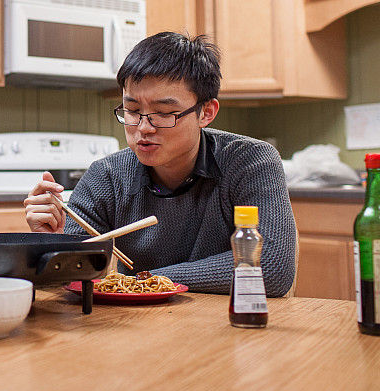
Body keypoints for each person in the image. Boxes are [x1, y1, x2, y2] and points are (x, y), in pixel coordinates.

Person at [23, 32, 297, 296]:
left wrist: (147, 281)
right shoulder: (106, 175)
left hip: (229, 325)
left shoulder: (250, 161)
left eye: (164, 113)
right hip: (140, 327)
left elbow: (272, 267)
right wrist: (54, 244)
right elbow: (72, 282)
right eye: (132, 111)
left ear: (207, 112)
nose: (143, 128)